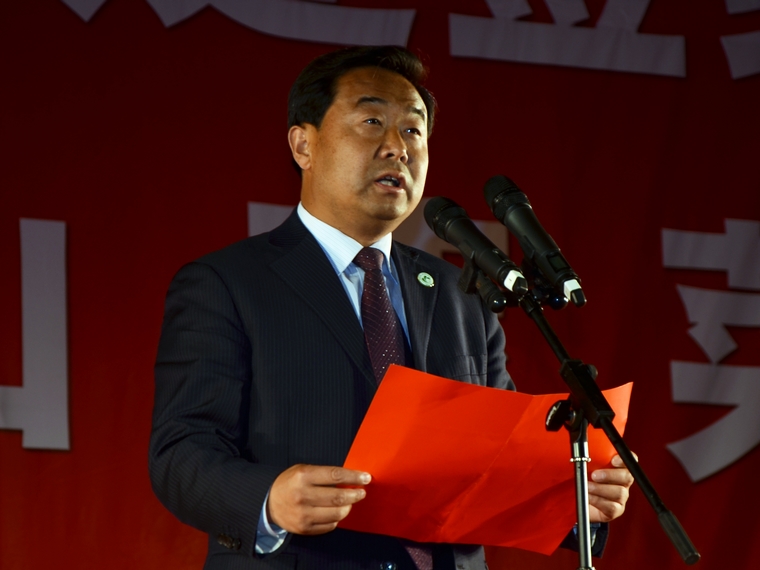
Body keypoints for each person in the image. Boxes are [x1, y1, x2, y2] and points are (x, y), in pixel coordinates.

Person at [149, 46, 633, 570]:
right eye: (372, 122)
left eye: (413, 130)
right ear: (303, 144)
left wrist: (570, 498)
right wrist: (269, 499)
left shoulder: (462, 296)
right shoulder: (228, 283)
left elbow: (497, 465)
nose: (397, 148)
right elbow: (182, 450)